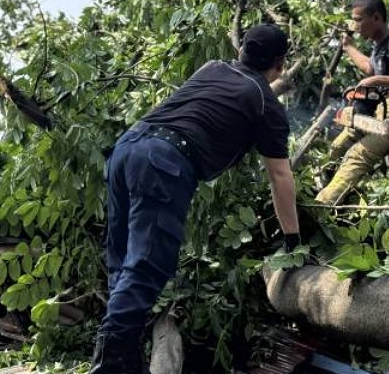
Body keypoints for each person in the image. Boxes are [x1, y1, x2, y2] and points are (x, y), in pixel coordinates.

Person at [89, 24, 301, 374]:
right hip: (164, 161)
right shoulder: (267, 105)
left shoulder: (213, 67)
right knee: (145, 268)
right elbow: (280, 175)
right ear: (280, 63)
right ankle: (108, 368)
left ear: (241, 50)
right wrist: (292, 240)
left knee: (123, 265)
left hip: (127, 147)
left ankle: (126, 363)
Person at [315, 0, 389, 205]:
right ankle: (318, 183)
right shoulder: (379, 47)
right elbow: (370, 67)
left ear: (376, 18)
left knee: (358, 154)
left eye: (358, 20)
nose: (355, 25)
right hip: (383, 113)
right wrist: (349, 47)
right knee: (339, 146)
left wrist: (375, 80)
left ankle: (321, 205)